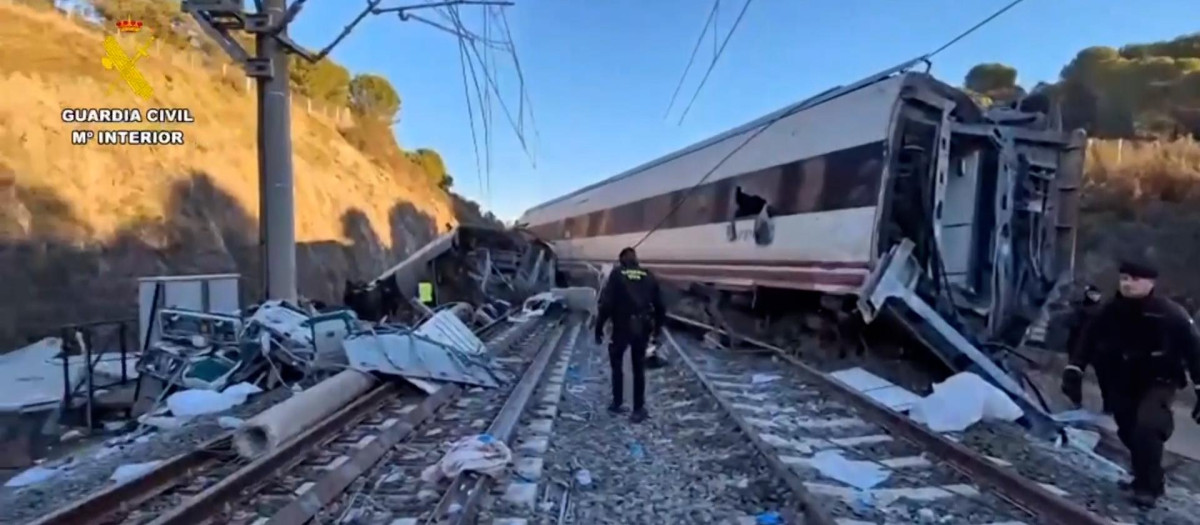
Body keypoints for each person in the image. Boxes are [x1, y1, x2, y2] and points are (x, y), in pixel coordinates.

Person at [1061, 258, 1200, 508]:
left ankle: (1149, 488)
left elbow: (1194, 352)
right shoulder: (1108, 312)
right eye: (1124, 278)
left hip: (1159, 379)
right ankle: (1143, 477)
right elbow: (1085, 341)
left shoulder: (1171, 314)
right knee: (1128, 431)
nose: (1128, 284)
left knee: (1148, 425)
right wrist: (1074, 370)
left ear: (1150, 283)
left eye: (1135, 280)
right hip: (1120, 381)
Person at [594, 247, 666, 423]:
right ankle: (638, 409)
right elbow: (660, 305)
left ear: (621, 261)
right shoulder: (648, 275)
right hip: (642, 327)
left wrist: (599, 327)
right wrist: (658, 329)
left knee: (617, 364)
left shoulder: (617, 275)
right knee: (638, 367)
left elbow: (607, 303)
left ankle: (617, 402)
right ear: (636, 260)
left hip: (621, 326)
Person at [1062, 285, 1107, 411]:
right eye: (1092, 293)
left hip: (1098, 348)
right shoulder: (1079, 309)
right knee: (1073, 375)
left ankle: (1109, 405)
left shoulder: (1103, 310)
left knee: (1106, 377)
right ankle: (1074, 402)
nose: (1094, 296)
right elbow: (1068, 323)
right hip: (1078, 347)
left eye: (1096, 294)